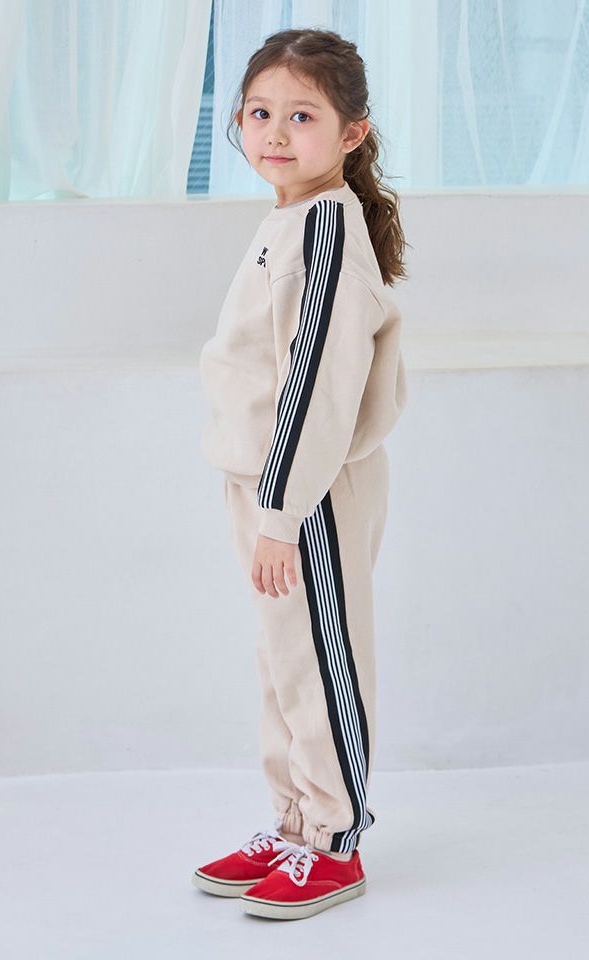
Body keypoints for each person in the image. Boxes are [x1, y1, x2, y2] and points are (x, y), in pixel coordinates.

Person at [193, 27, 409, 921]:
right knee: (284, 659)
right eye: (259, 112)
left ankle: (333, 839)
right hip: (267, 484)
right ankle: (292, 821)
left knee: (321, 659)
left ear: (352, 133)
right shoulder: (289, 220)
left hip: (306, 489)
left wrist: (282, 512)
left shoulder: (326, 229)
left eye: (302, 116)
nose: (275, 132)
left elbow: (316, 383)